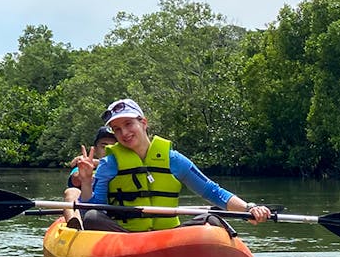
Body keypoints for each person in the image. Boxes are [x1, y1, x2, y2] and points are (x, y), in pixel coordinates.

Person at [63, 98, 271, 231]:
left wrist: (248, 208)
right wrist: (87, 181)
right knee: (91, 217)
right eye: (117, 129)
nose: (124, 133)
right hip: (126, 236)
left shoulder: (173, 159)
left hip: (168, 236)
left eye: (128, 124)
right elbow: (91, 208)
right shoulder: (109, 163)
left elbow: (212, 191)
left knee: (212, 219)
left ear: (143, 123)